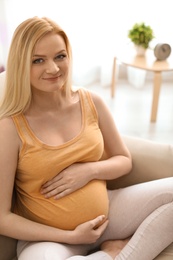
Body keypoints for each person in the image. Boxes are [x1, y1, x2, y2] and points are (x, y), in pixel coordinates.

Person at [0, 16, 172, 260]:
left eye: (60, 56)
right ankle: (112, 253)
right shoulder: (10, 127)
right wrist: (70, 237)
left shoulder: (91, 101)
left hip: (108, 214)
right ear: (20, 65)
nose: (53, 68)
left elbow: (124, 159)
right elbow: (2, 218)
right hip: (49, 238)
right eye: (38, 60)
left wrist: (88, 171)